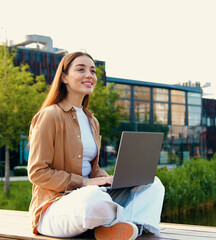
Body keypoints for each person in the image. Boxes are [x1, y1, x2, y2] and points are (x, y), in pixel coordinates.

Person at [27, 51, 165, 240]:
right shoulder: (49, 116)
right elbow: (37, 172)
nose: (89, 75)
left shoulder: (92, 121)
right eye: (81, 69)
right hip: (57, 206)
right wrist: (83, 182)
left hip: (90, 194)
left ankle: (124, 228)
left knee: (153, 184)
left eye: (92, 71)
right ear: (64, 77)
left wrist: (110, 180)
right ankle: (125, 223)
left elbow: (92, 170)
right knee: (94, 200)